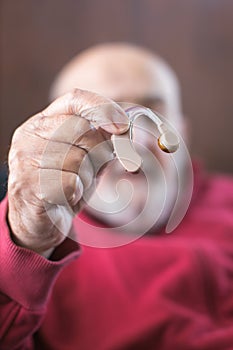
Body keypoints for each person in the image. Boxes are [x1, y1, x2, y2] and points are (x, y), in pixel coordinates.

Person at [0, 43, 233, 350]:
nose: (135, 141)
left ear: (184, 133)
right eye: (97, 123)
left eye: (155, 116)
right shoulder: (27, 242)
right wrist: (26, 241)